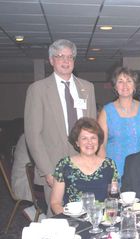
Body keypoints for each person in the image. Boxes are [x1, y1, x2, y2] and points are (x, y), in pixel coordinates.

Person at [24, 39, 97, 215]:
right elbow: (33, 135)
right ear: (51, 60)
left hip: (85, 164)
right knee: (59, 218)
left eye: (70, 57)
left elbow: (92, 129)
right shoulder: (38, 89)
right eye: (60, 56)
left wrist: (94, 162)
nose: (65, 61)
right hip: (54, 167)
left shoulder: (87, 88)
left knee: (89, 214)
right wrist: (48, 171)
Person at [51, 118, 118, 215]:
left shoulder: (109, 164)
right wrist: (68, 220)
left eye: (93, 138)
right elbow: (55, 203)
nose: (89, 142)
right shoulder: (64, 164)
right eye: (84, 138)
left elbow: (113, 199)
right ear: (77, 142)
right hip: (74, 221)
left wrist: (109, 219)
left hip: (102, 220)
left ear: (98, 141)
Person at [98, 67, 140, 182]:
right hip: (115, 169)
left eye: (129, 81)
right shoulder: (106, 111)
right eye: (120, 81)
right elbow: (101, 146)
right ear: (115, 87)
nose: (125, 85)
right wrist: (103, 172)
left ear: (135, 86)